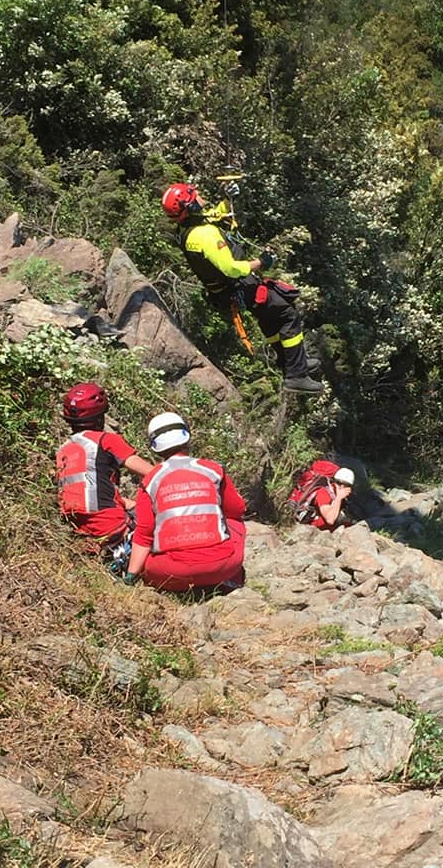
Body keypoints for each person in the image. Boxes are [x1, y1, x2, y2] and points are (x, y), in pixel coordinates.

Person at [161, 181, 322, 393]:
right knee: (286, 312)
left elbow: (214, 214)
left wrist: (228, 199)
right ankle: (297, 375)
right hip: (238, 285)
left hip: (226, 291)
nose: (200, 195)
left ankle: (291, 361)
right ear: (190, 206)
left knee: (269, 316)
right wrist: (261, 262)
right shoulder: (205, 235)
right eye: (195, 195)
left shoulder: (188, 229)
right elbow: (231, 268)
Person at [123, 412, 246, 592]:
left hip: (173, 573)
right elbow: (237, 509)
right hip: (223, 568)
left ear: (155, 447)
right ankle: (229, 579)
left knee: (147, 557)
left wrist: (131, 575)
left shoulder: (150, 481)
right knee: (236, 523)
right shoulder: (213, 470)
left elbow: (144, 535)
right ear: (187, 437)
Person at [56, 383, 154, 551]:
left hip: (77, 527)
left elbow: (91, 491)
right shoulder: (106, 440)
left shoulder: (64, 449)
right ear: (101, 417)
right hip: (111, 523)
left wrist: (131, 505)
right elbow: (154, 473)